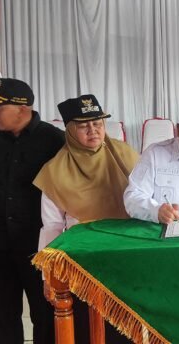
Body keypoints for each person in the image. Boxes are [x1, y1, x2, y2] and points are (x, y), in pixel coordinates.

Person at [34, 94, 138, 343]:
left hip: (126, 257)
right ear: (70, 130)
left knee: (127, 327)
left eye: (98, 123)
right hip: (82, 264)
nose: (93, 130)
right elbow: (52, 226)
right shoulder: (55, 172)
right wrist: (48, 274)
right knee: (86, 328)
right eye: (83, 126)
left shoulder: (126, 156)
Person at [0, 78, 64, 344]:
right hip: (0, 238)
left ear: (22, 109)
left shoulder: (54, 139)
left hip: (38, 241)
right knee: (3, 310)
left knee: (43, 311)